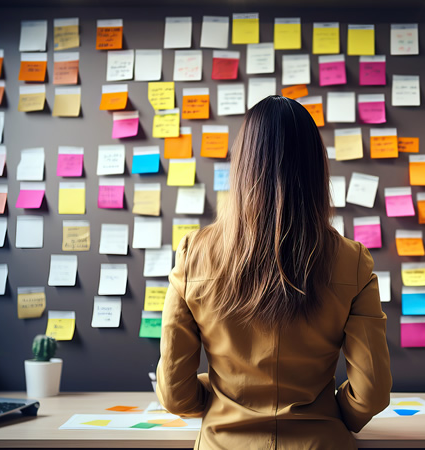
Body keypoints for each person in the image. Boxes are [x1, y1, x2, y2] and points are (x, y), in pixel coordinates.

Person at [156, 95, 392, 449]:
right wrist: (330, 410)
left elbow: (175, 394)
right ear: (316, 169)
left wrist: (218, 399)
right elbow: (371, 393)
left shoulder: (194, 255)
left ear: (242, 166)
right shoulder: (351, 260)